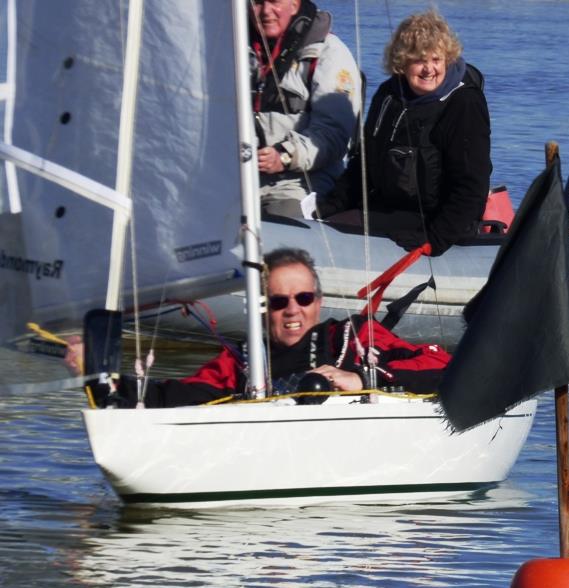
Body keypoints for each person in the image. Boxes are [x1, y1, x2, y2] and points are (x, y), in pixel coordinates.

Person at [87, 247, 451, 409]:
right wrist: (107, 381)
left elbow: (441, 366)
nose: (292, 310)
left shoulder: (352, 336)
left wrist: (364, 378)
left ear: (319, 302)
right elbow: (186, 392)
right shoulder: (246, 360)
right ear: (264, 308)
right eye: (279, 301)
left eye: (304, 298)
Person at [317, 10, 492, 256]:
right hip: (388, 208)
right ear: (402, 61)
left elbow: (471, 187)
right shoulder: (389, 95)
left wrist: (436, 239)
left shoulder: (464, 104)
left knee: (345, 225)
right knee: (332, 222)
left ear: (447, 59)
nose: (429, 69)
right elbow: (364, 164)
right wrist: (329, 205)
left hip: (435, 221)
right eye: (419, 60)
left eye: (436, 60)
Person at [250, 0, 361, 218]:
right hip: (235, 180)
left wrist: (284, 156)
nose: (265, 11)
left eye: (274, 1)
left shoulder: (329, 53)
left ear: (294, 4)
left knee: (280, 232)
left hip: (299, 183)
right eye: (257, 2)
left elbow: (334, 134)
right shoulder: (231, 49)